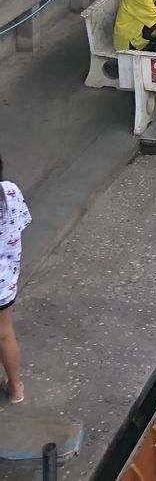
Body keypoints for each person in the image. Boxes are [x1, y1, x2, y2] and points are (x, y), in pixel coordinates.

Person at [1, 162, 31, 405]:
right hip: (3, 283)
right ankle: (14, 388)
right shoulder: (10, 191)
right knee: (4, 334)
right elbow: (21, 223)